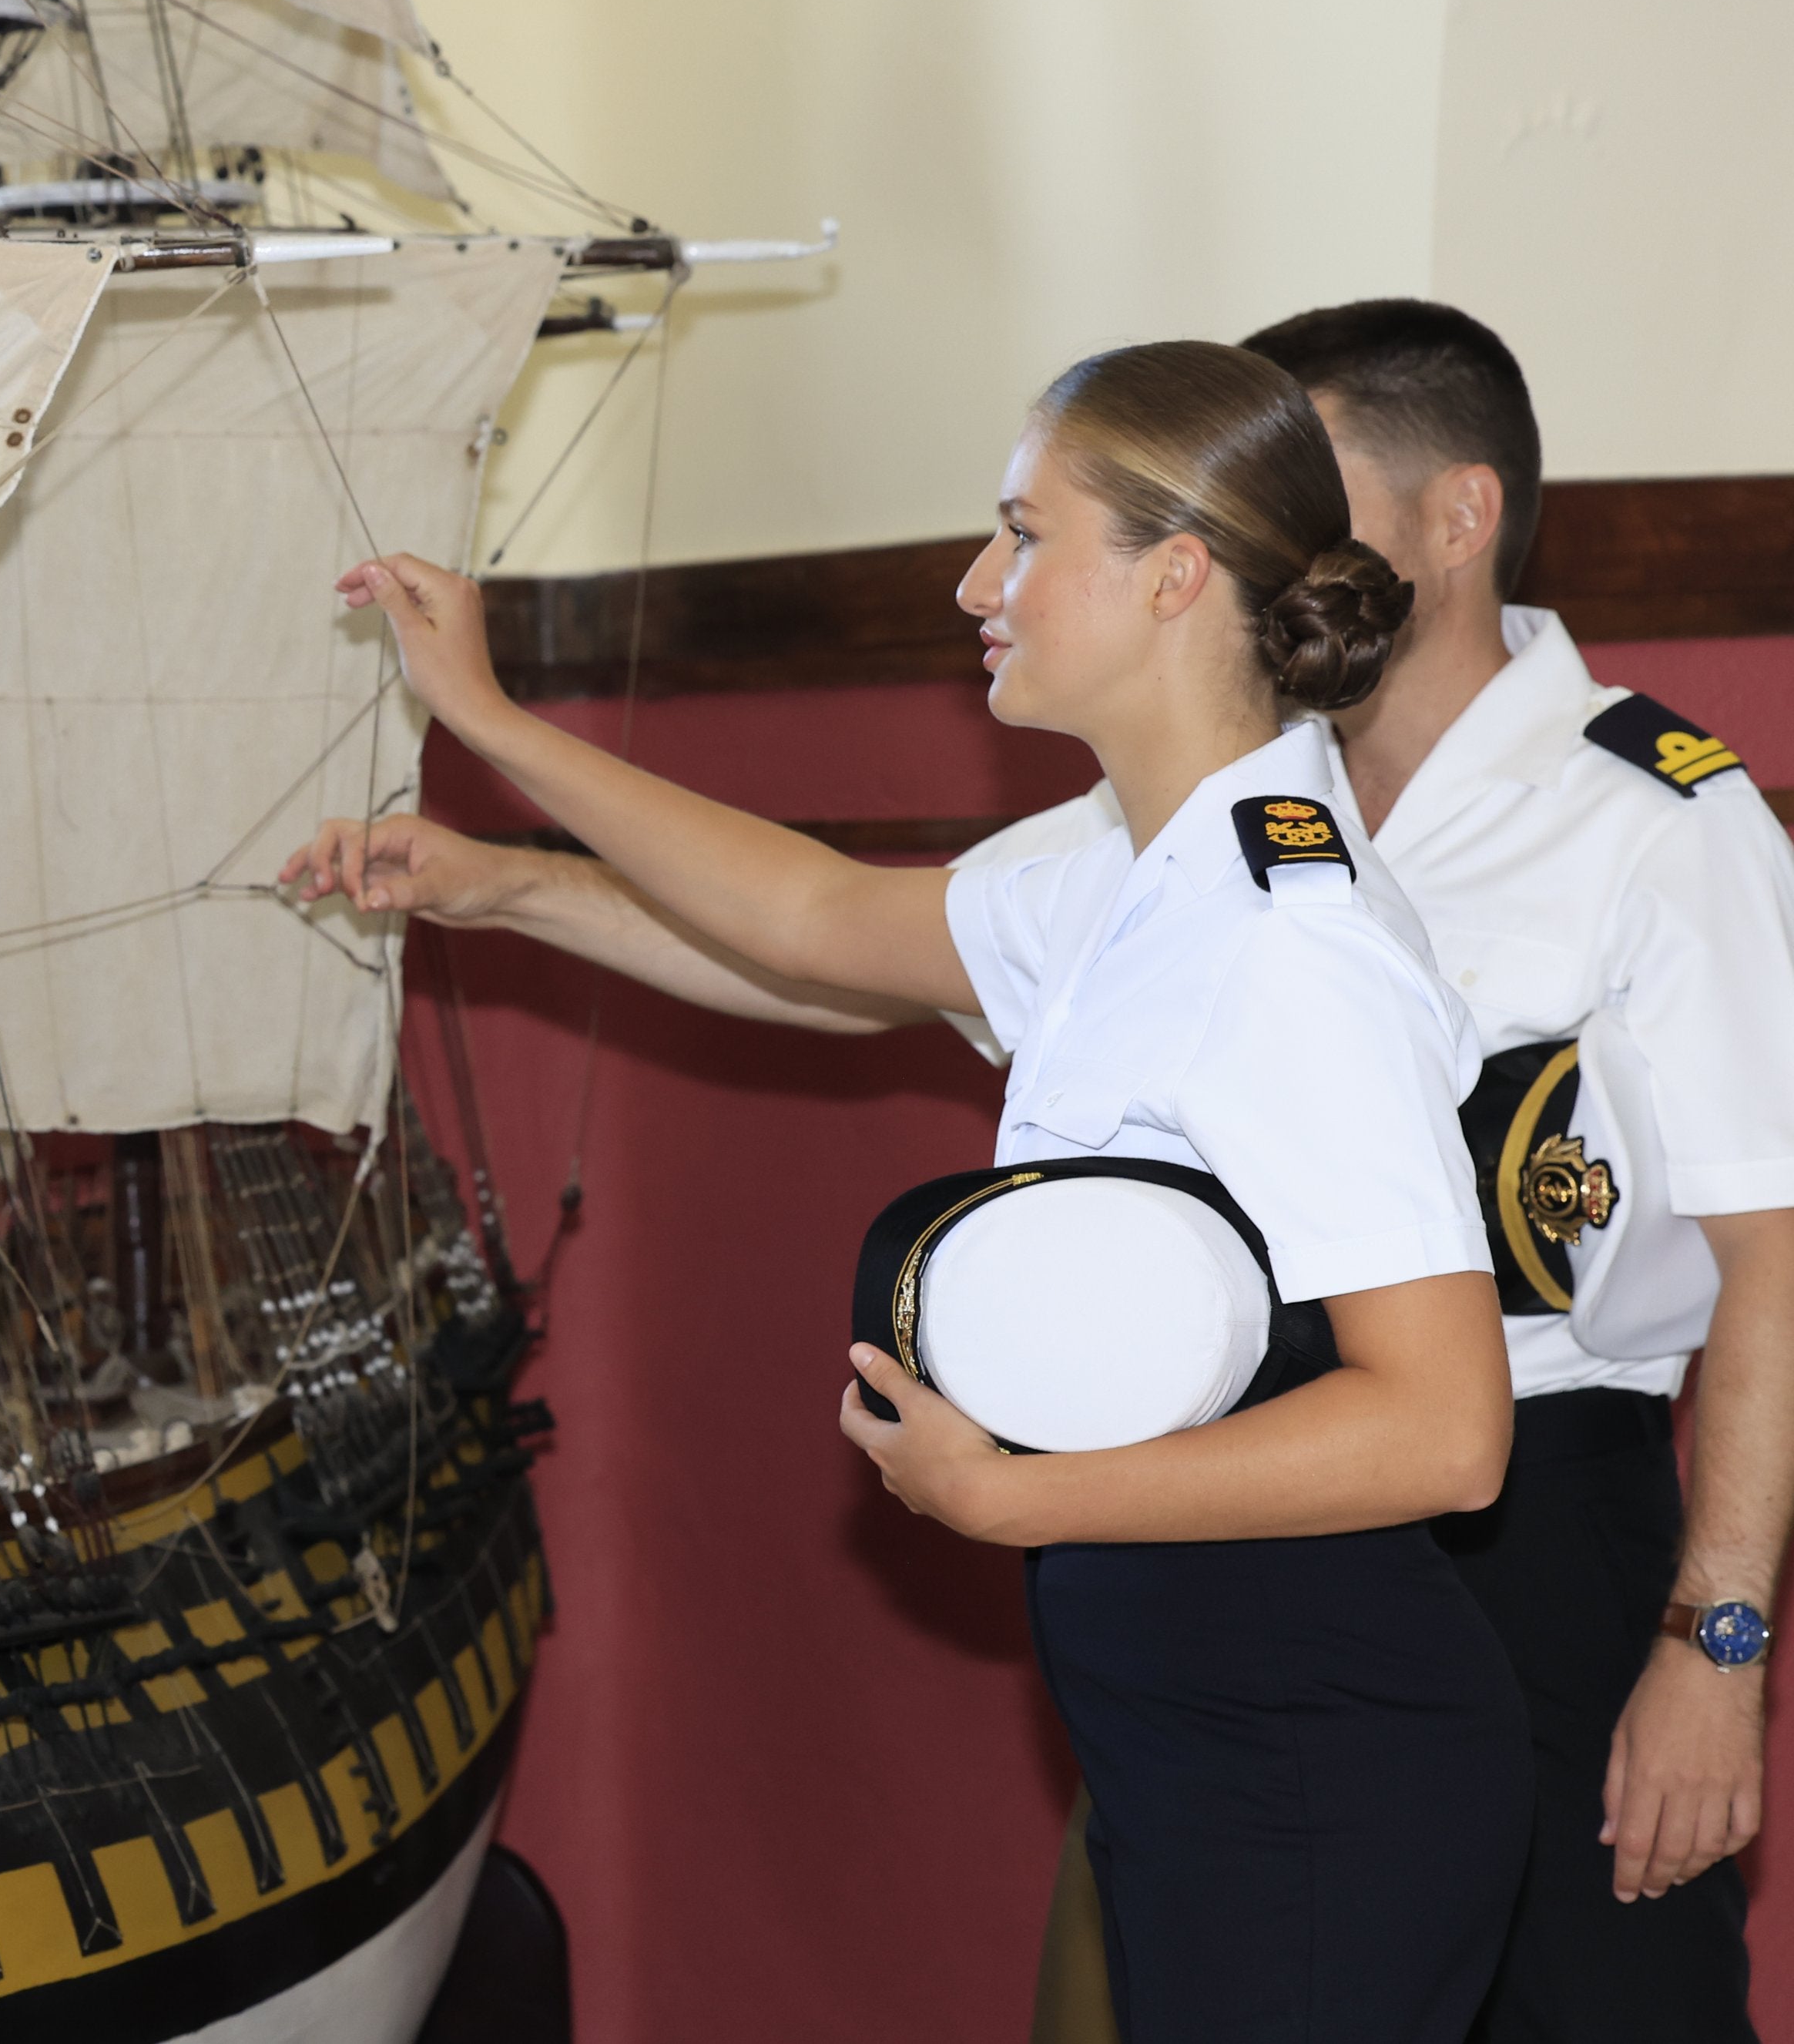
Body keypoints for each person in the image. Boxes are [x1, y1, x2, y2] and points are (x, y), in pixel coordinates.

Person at [292, 302, 1794, 2043]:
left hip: (1456, 1547)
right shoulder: (1158, 851)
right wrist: (500, 806)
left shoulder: (1379, 893)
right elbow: (807, 918)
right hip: (1235, 1599)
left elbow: (1494, 1396)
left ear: (1180, 575)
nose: (970, 582)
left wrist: (1718, 1635)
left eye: (1021, 533)